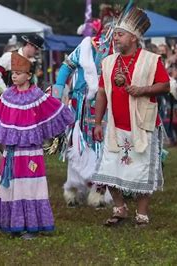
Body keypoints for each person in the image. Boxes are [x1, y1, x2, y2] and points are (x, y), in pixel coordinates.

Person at [92, 5, 170, 227]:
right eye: (115, 34)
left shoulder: (151, 60)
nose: (115, 38)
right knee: (109, 168)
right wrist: (98, 122)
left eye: (120, 34)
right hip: (115, 126)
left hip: (143, 124)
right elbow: (101, 93)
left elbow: (164, 85)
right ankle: (119, 208)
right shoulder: (108, 63)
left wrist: (143, 90)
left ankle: (142, 213)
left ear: (134, 38)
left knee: (142, 169)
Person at [0, 52, 74, 239]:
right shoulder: (6, 96)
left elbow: (53, 109)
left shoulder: (37, 95)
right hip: (12, 152)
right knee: (12, 185)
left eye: (19, 73)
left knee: (29, 185)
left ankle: (31, 225)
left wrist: (68, 111)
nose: (14, 76)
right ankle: (14, 224)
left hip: (30, 152)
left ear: (28, 75)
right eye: (12, 73)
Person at [52, 5, 118, 208]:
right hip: (79, 106)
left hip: (105, 106)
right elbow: (66, 67)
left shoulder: (117, 52)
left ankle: (99, 190)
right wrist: (58, 90)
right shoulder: (86, 46)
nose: (110, 33)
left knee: (103, 146)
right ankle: (73, 188)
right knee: (77, 146)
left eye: (115, 31)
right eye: (108, 29)